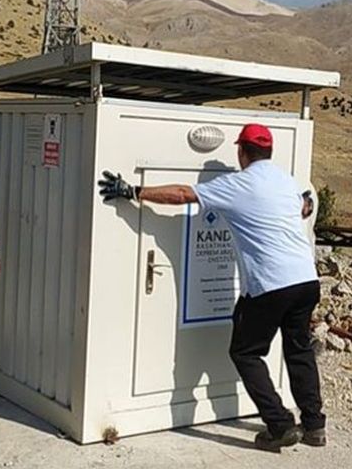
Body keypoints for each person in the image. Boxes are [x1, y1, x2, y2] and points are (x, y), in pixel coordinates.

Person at [98, 123, 325, 452]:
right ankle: (315, 425)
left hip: (270, 284)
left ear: (242, 152)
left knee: (246, 352)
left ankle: (280, 425)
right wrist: (305, 202)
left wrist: (133, 191)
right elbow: (304, 207)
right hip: (306, 280)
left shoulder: (237, 184)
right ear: (269, 152)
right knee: (299, 350)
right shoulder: (287, 181)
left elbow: (182, 195)